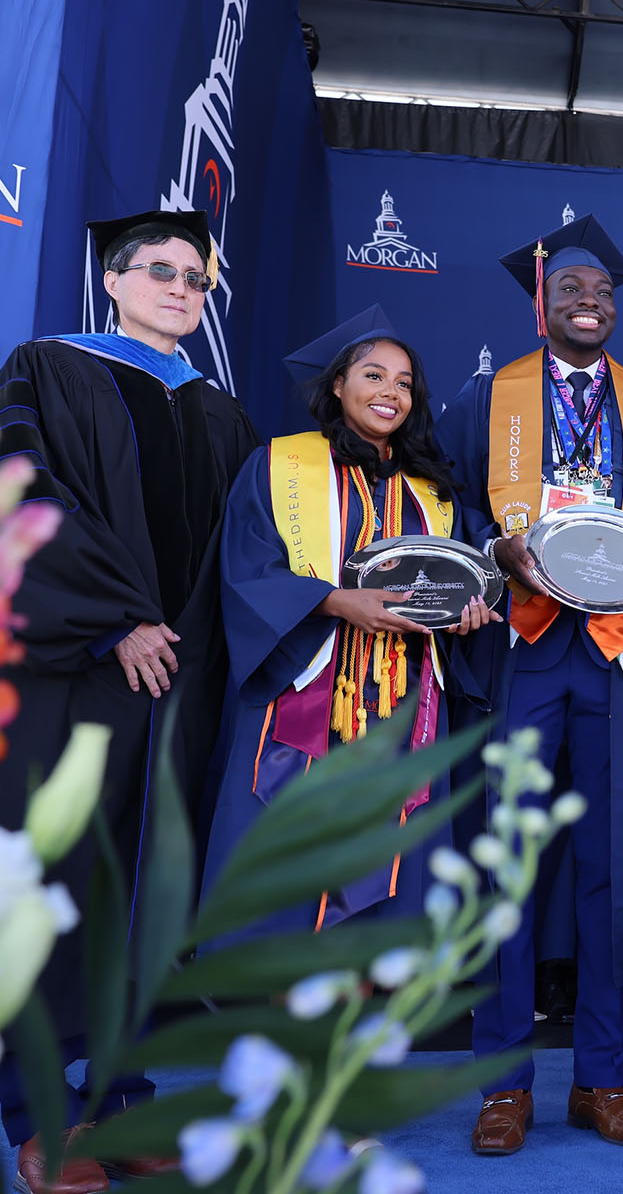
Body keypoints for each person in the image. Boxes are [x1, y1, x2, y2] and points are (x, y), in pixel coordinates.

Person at [0, 210, 259, 1193]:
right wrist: (113, 621)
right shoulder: (45, 370)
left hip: (181, 689)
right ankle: (37, 1119)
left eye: (196, 278)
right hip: (75, 674)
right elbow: (15, 493)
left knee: (142, 899)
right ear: (115, 279)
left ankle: (123, 1102)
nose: (182, 288)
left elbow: (243, 558)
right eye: (161, 271)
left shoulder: (220, 411)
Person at [436, 215, 623, 1156]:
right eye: (572, 291)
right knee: (504, 857)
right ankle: (503, 1085)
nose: (590, 303)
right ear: (541, 303)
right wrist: (495, 548)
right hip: (526, 646)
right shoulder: (485, 398)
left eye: (604, 294)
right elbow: (447, 500)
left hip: (621, 657)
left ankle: (603, 1080)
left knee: (615, 865)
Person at [201, 308, 497, 936]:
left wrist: (465, 615)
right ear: (338, 384)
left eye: (404, 383)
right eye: (373, 375)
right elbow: (247, 568)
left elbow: (453, 586)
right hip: (306, 687)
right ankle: (269, 1011)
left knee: (392, 849)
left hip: (402, 701)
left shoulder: (435, 492)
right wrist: (337, 601)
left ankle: (364, 1007)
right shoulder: (280, 467)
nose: (390, 393)